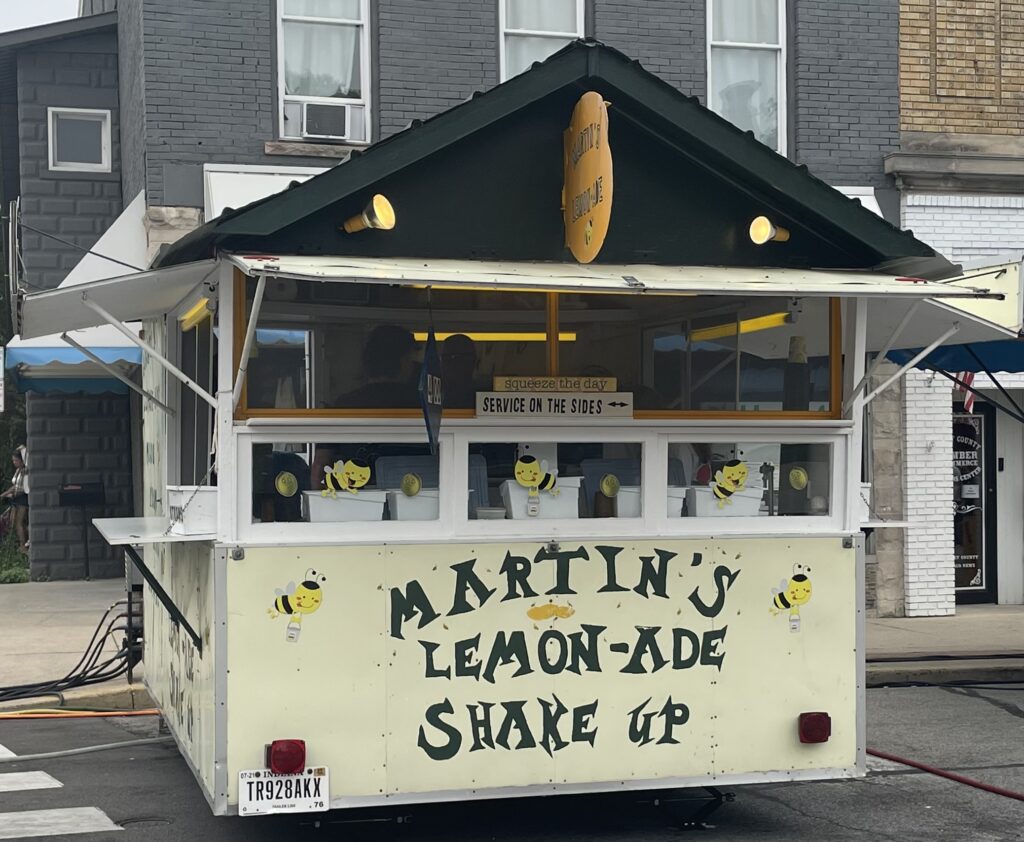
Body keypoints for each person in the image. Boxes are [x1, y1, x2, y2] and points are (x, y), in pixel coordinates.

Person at [1, 447, 29, 552]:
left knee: (19, 522)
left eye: (16, 460)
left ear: (22, 461)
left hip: (22, 498)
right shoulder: (17, 471)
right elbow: (15, 486)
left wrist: (22, 449)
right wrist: (4, 494)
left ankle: (23, 544)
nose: (14, 462)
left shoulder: (25, 470)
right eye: (13, 460)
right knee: (12, 522)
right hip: (15, 498)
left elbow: (22, 488)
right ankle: (26, 539)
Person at [441, 333, 480, 409]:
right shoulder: (439, 393)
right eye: (443, 359)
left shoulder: (475, 398)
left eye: (446, 358)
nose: (442, 364)